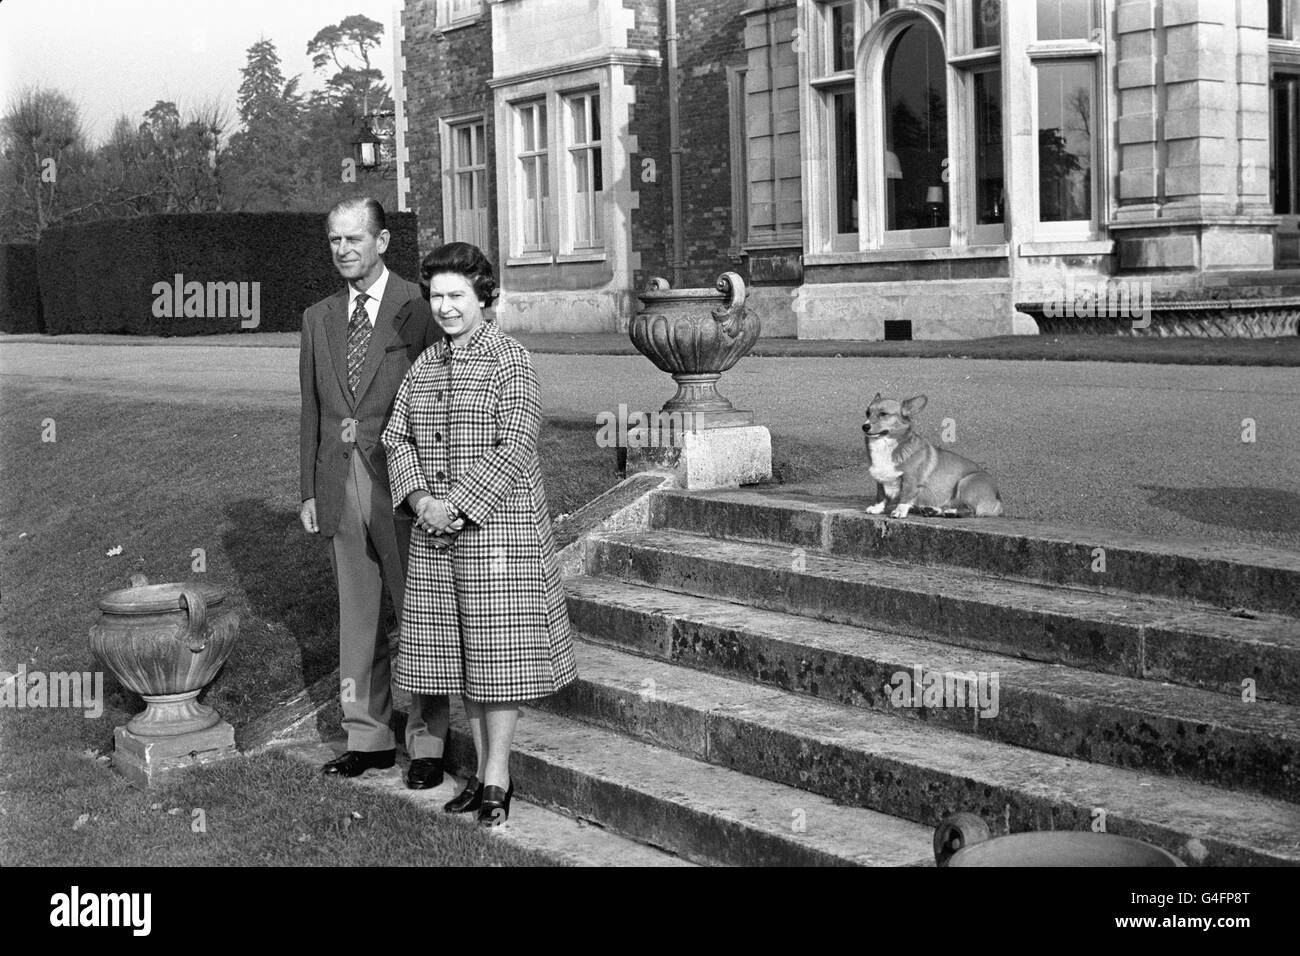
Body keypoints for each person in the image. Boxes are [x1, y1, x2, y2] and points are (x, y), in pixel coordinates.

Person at [382, 241, 577, 826]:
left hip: (499, 535)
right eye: (436, 296)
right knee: (463, 657)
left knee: (499, 658)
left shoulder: (508, 360)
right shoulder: (426, 364)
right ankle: (484, 772)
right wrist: (419, 499)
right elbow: (397, 438)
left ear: (483, 296)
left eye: (456, 296)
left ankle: (498, 775)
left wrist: (455, 506)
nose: (444, 307)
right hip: (438, 537)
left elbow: (516, 444)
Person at [298, 197, 448, 788]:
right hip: (341, 483)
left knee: (421, 611)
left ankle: (429, 743)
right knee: (357, 618)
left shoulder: (422, 304)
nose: (343, 250)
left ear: (382, 241)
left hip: (405, 482)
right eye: (334, 240)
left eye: (354, 239)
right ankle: (369, 738)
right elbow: (310, 408)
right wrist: (309, 488)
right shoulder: (318, 317)